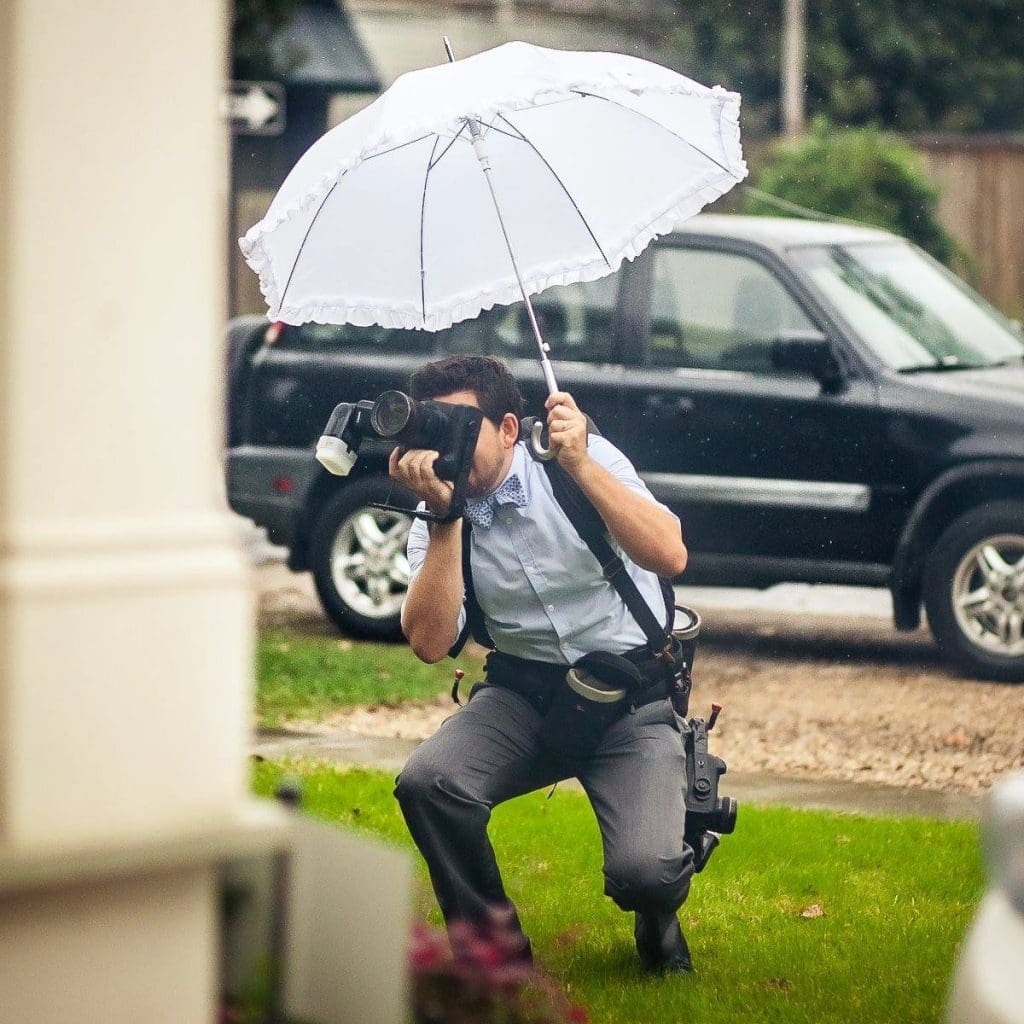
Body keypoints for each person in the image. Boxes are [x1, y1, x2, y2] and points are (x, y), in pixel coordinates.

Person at [390, 354, 695, 974]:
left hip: (630, 696)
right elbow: (428, 642)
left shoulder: (579, 458)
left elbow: (670, 554)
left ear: (508, 427)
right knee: (430, 783)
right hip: (522, 693)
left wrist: (580, 463)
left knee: (644, 873)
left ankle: (658, 919)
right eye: (433, 428)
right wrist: (446, 521)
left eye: (461, 426)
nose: (446, 446)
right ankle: (496, 961)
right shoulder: (440, 506)